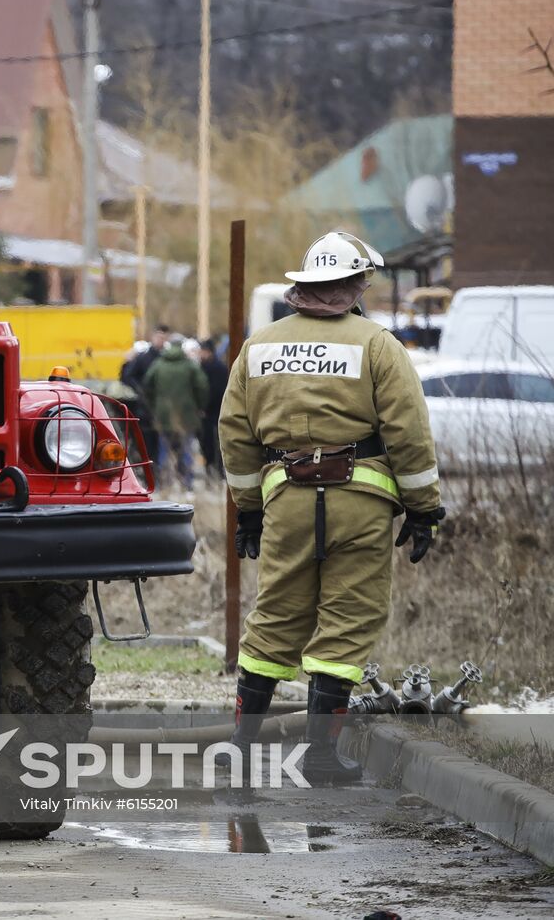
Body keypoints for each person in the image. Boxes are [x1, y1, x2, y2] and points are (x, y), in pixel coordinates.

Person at [218, 232, 445, 784]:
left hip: (286, 503)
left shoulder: (260, 346)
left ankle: (240, 750)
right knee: (348, 622)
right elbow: (409, 434)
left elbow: (235, 432)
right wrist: (423, 509)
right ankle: (320, 757)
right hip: (361, 504)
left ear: (306, 285)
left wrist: (249, 510)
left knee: (274, 618)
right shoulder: (377, 344)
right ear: (354, 285)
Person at [142, 335, 208, 491]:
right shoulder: (190, 366)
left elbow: (147, 386)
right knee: (186, 449)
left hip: (163, 414)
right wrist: (199, 406)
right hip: (187, 415)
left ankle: (163, 483)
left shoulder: (158, 365)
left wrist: (154, 406)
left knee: (164, 449)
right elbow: (202, 386)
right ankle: (187, 483)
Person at [122, 324, 170, 466]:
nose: (160, 340)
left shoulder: (166, 358)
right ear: (153, 338)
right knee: (147, 441)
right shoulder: (144, 358)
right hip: (146, 407)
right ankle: (149, 468)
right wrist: (140, 389)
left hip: (162, 407)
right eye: (158, 337)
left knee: (161, 443)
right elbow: (128, 376)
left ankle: (159, 470)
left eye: (163, 337)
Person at [196, 338, 230, 477]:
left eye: (203, 351)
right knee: (207, 444)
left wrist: (204, 406)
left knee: (214, 444)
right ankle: (211, 469)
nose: (201, 354)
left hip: (214, 412)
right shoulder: (202, 367)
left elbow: (216, 391)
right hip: (207, 413)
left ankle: (217, 471)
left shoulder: (217, 368)